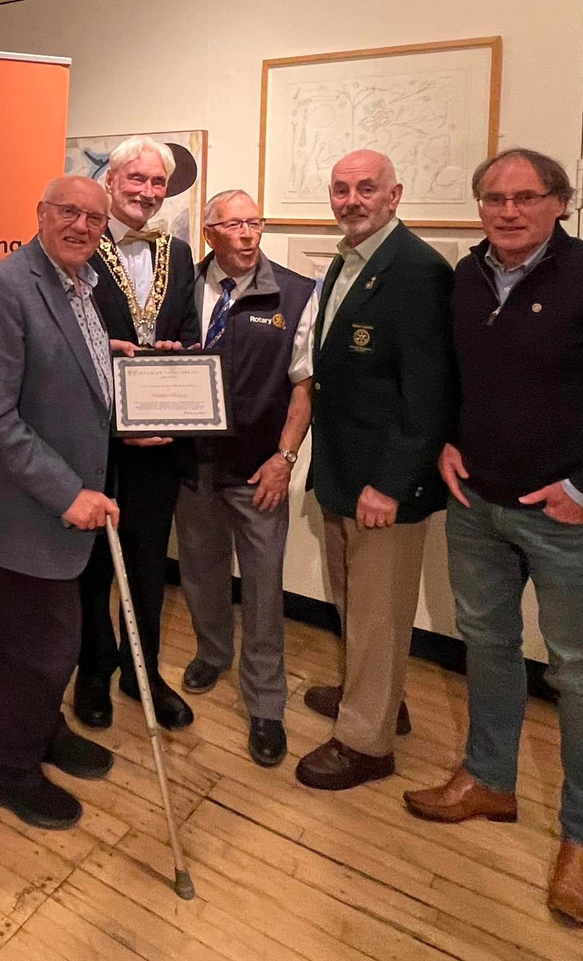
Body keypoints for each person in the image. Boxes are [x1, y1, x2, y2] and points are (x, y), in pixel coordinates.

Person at [404, 148, 583, 925]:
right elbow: (460, 381)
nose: (507, 211)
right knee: (486, 646)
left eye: (526, 197)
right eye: (493, 198)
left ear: (560, 202)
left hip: (574, 522)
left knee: (581, 675)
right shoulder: (465, 279)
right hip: (478, 508)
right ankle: (489, 778)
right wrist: (445, 439)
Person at [0, 175, 119, 829]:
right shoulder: (4, 286)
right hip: (33, 507)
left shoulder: (82, 284)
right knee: (39, 646)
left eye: (94, 218)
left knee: (53, 640)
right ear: (40, 213)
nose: (82, 225)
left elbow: (71, 376)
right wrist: (66, 492)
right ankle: (4, 767)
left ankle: (42, 731)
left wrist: (124, 390)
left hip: (75, 503)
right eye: (68, 212)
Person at [297, 149, 456, 791]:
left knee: (379, 609)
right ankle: (379, 698)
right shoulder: (349, 259)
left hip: (382, 483)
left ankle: (367, 743)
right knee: (358, 603)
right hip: (343, 469)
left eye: (367, 189)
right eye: (341, 189)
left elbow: (431, 393)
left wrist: (392, 483)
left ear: (395, 195)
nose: (352, 200)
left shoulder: (417, 271)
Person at [176, 189, 316, 767]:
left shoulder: (296, 292)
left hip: (258, 470)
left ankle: (265, 704)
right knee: (201, 570)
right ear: (209, 233)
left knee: (261, 589)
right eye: (233, 225)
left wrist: (284, 460)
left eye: (254, 222)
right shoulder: (179, 291)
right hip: (191, 465)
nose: (247, 234)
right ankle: (212, 652)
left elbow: (304, 387)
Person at [74, 135, 201, 733]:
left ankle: (142, 671)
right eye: (137, 179)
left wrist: (178, 353)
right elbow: (62, 342)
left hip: (158, 443)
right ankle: (94, 671)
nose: (148, 193)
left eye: (158, 183)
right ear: (111, 178)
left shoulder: (178, 251)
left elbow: (187, 330)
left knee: (149, 564)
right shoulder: (75, 243)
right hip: (93, 438)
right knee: (95, 563)